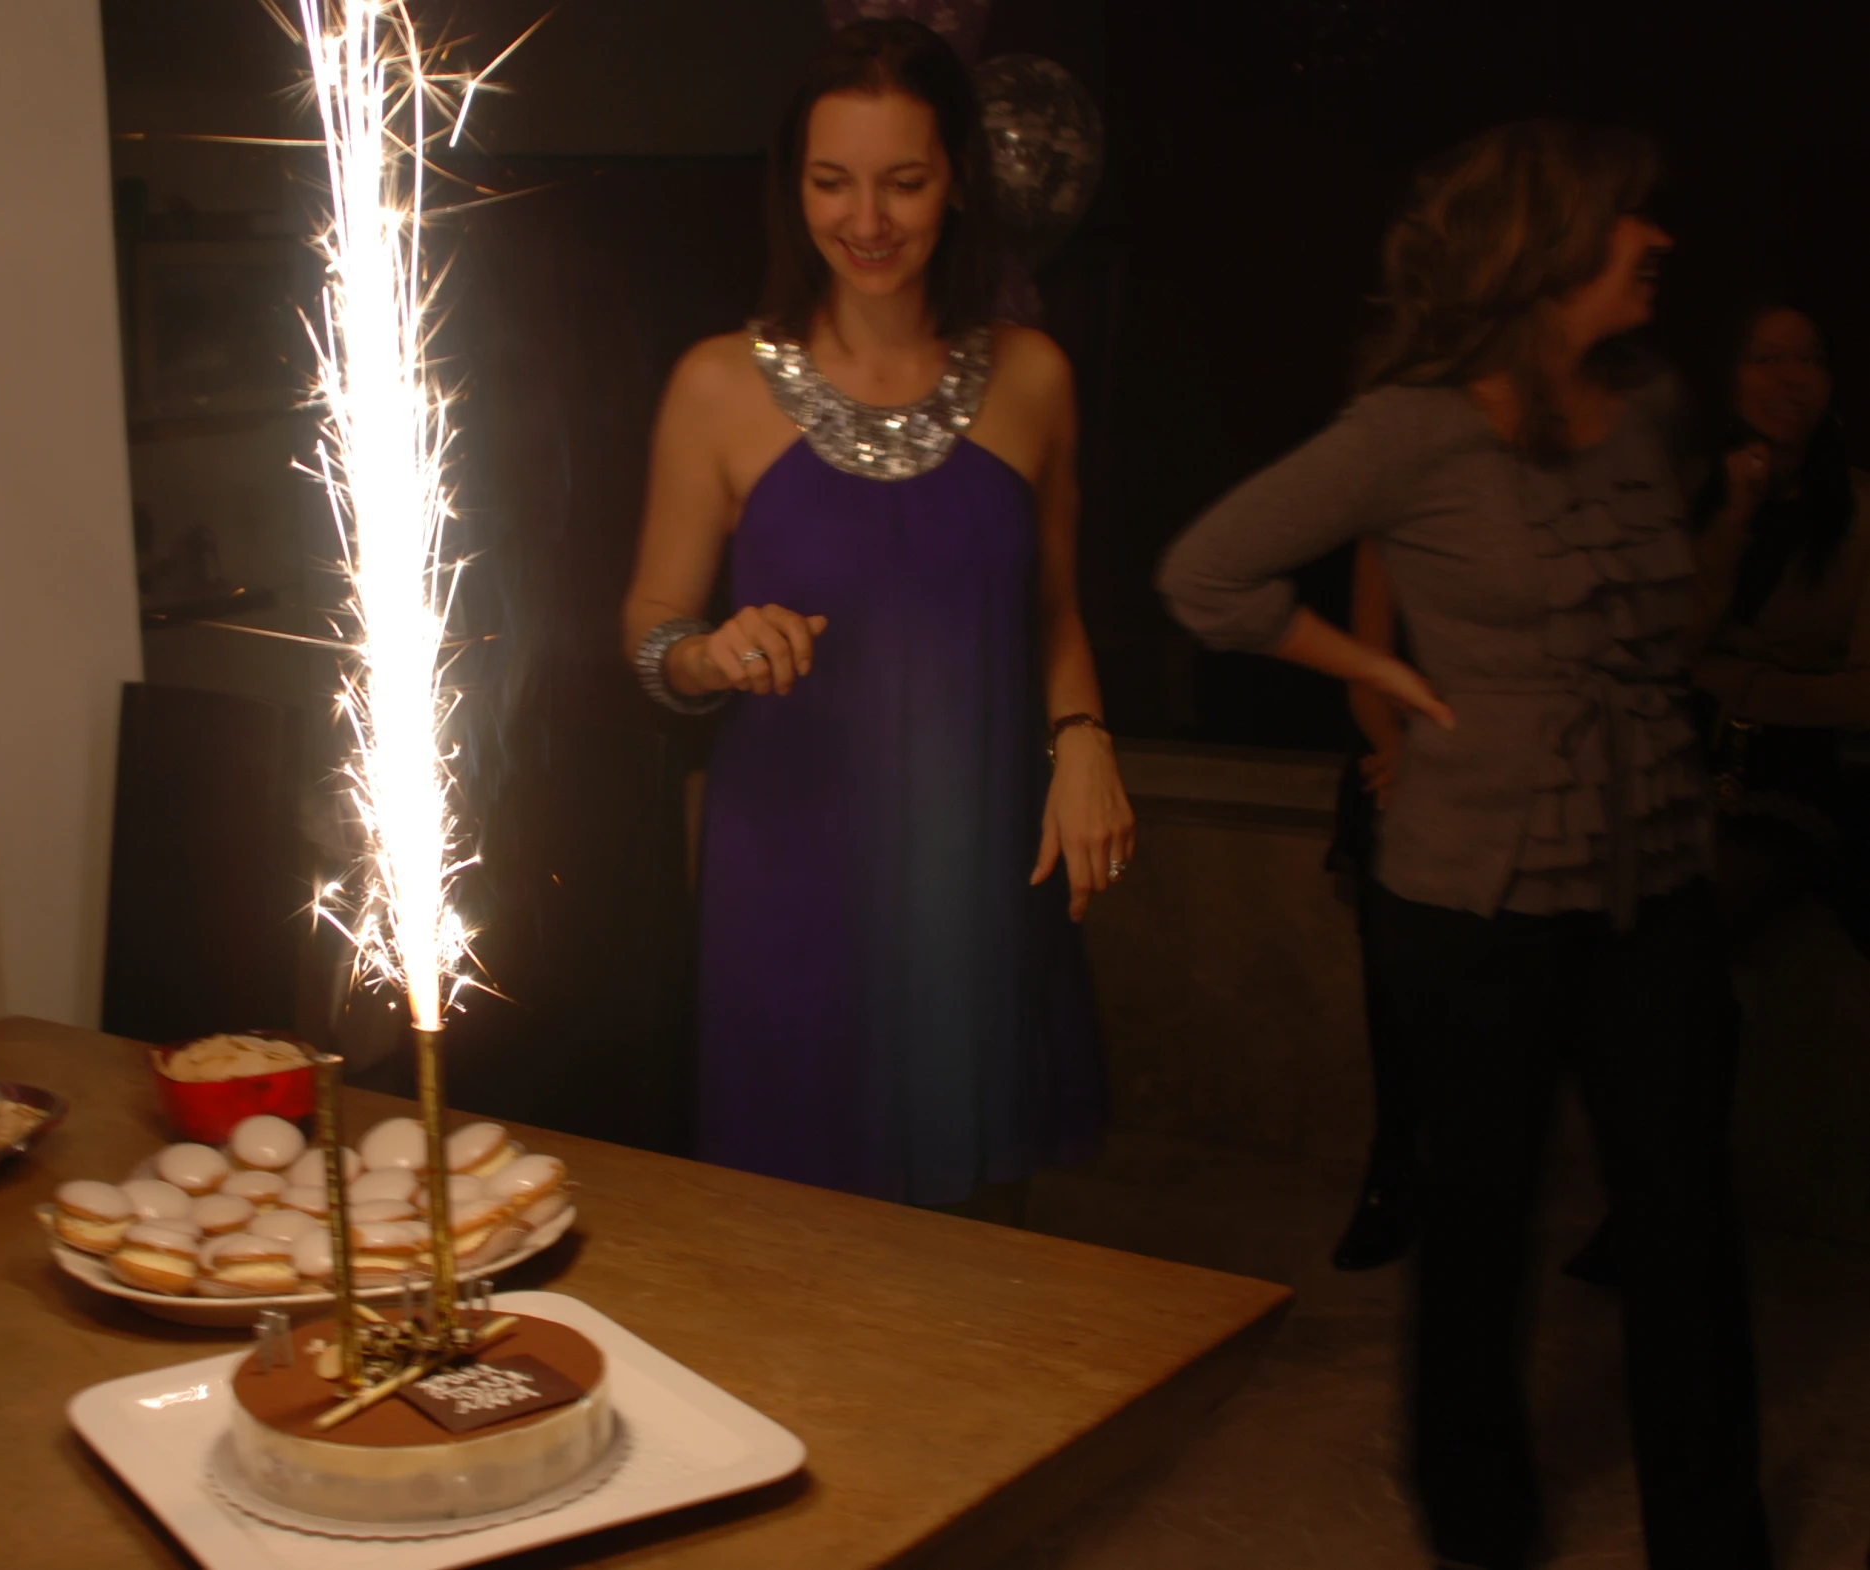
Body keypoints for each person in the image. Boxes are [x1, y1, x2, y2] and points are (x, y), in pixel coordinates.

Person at [1158, 119, 1770, 1570]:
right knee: (1480, 1226)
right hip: (1472, 900)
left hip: (1657, 875)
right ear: (1547, 247)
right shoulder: (1412, 425)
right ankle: (1477, 1523)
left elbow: (1664, 614)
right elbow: (1208, 575)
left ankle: (1715, 1533)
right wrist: (1369, 672)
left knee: (1686, 1221)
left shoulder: (1652, 403)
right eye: (1627, 223)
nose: (1657, 243)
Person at [619, 19, 1130, 1210]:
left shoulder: (1034, 377)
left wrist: (1084, 739)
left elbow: (1054, 612)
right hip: (792, 854)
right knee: (796, 1217)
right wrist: (703, 652)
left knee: (976, 1221)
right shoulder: (715, 385)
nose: (866, 220)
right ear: (790, 186)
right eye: (830, 182)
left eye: (902, 181)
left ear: (956, 178)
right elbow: (648, 626)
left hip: (978, 850)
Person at [1689, 300, 1870, 950]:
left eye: (1810, 360)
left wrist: (1738, 684)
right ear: (1732, 379)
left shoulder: (1860, 515)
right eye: (1768, 359)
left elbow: (1863, 690)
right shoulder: (1687, 493)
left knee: (1702, 910)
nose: (1792, 377)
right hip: (1672, 762)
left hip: (1792, 780)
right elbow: (1660, 645)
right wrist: (1732, 518)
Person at [1326, 538, 1422, 1270]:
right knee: (1395, 1005)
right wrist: (1406, 760)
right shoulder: (1389, 525)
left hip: (1511, 773)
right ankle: (1391, 1178)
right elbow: (1365, 670)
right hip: (1397, 770)